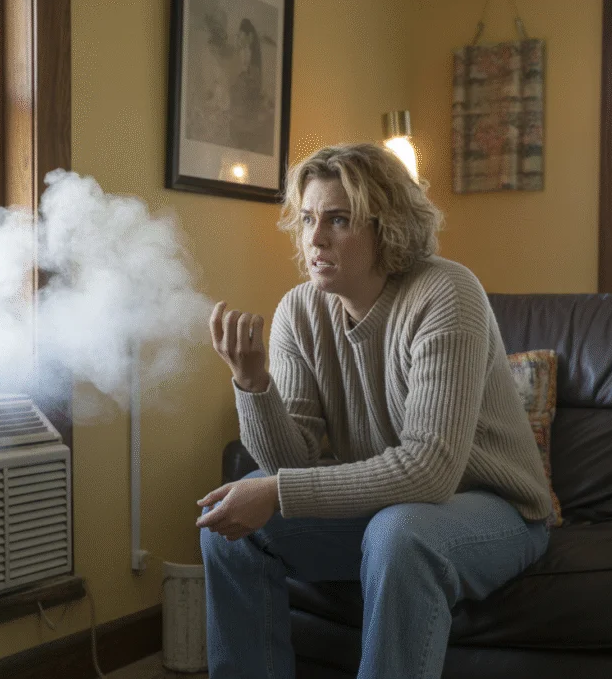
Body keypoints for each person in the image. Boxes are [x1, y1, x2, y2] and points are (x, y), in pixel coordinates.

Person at [198, 142, 553, 678]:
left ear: (387, 228)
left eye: (338, 220)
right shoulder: (299, 310)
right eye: (309, 219)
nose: (315, 239)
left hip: (497, 511)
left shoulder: (447, 293)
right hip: (393, 509)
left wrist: (275, 492)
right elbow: (286, 460)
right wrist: (252, 384)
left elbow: (428, 471)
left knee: (400, 532)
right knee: (227, 529)